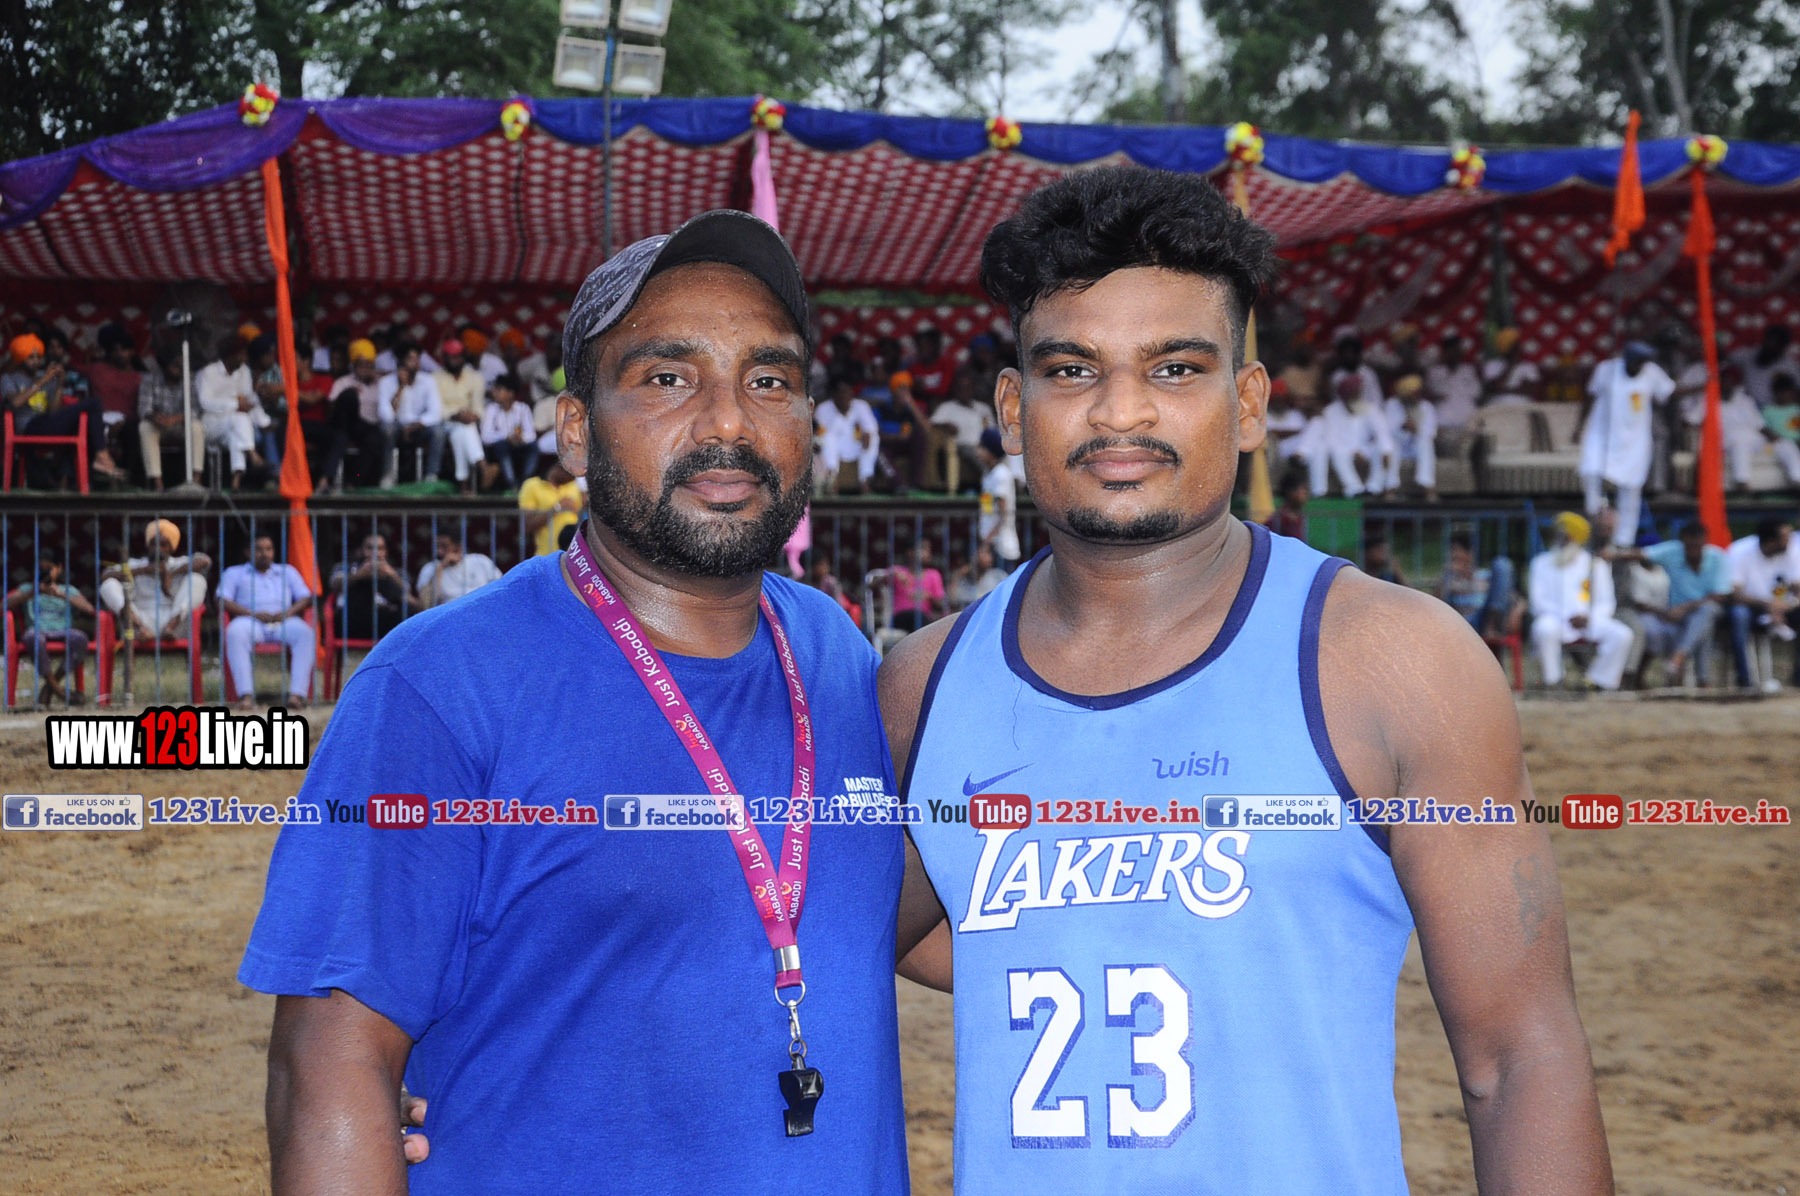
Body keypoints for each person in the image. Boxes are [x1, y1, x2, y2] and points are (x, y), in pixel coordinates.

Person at [880, 165, 1611, 1195]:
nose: (1121, 411)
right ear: (1012, 406)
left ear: (1250, 401)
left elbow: (1520, 1055)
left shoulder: (1399, 662)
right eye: (1073, 369)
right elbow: (849, 934)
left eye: (1176, 368)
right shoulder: (924, 685)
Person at [241, 209, 909, 1195]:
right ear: (573, 429)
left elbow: (879, 910)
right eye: (667, 378)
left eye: (769, 380)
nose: (729, 423)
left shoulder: (837, 653)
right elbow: (328, 1066)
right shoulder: (441, 685)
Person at [1610, 521, 1731, 686]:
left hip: (1703, 610)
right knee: (1703, 628)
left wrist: (1684, 608)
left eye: (1697, 546)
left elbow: (1720, 595)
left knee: (1706, 612)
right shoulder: (1673, 551)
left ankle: (1679, 657)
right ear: (1682, 543)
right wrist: (1610, 555)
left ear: (1705, 542)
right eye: (1689, 546)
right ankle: (1702, 681)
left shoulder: (1717, 557)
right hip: (1676, 616)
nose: (1693, 550)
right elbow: (1641, 554)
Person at [1580, 341, 1674, 545]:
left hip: (1635, 441)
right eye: (1636, 362)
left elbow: (1669, 393)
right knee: (1591, 472)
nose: (1640, 366)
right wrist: (1579, 427)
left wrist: (1707, 385)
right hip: (1601, 436)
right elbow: (1589, 396)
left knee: (1631, 489)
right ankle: (1596, 528)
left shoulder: (1652, 372)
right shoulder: (1607, 369)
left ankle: (1623, 541)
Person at [1528, 511, 1633, 690]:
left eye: (1567, 537)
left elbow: (1606, 602)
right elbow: (1538, 602)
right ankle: (1553, 681)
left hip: (1589, 621)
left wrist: (1588, 617)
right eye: (1560, 535)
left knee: (1622, 634)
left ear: (1577, 539)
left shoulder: (1595, 564)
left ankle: (1596, 682)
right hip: (1555, 619)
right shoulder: (1541, 563)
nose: (1562, 540)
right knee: (1544, 628)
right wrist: (1567, 616)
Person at [2, 333, 123, 483]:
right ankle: (102, 456)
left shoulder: (45, 379)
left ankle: (69, 479)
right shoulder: (9, 378)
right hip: (28, 427)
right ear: (20, 358)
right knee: (94, 403)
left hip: (46, 424)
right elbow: (15, 403)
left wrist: (59, 384)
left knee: (80, 424)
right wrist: (42, 381)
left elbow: (54, 412)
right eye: (31, 357)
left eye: (38, 357)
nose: (36, 361)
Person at [218, 534, 315, 709]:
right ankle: (246, 696)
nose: (265, 554)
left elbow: (306, 597)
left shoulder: (287, 571)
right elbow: (222, 600)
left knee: (305, 634)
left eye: (269, 549)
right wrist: (252, 613)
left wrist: (287, 613)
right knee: (234, 632)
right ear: (248, 552)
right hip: (250, 620)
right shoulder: (234, 573)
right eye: (259, 549)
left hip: (284, 621)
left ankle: (297, 696)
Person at [98, 519, 211, 642]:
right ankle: (142, 629)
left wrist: (171, 574)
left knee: (197, 579)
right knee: (108, 585)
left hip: (174, 625)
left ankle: (169, 628)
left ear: (171, 548)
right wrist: (143, 570)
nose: (158, 549)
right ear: (148, 545)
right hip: (138, 623)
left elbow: (205, 561)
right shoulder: (135, 564)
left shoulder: (179, 563)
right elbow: (105, 575)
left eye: (163, 544)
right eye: (154, 544)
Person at [6, 551, 94, 706]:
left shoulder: (67, 589)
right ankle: (59, 691)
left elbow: (90, 610)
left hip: (64, 631)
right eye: (41, 569)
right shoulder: (27, 588)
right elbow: (4, 606)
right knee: (33, 638)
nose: (45, 572)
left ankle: (50, 687)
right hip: (37, 631)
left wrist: (61, 595)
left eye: (49, 568)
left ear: (59, 568)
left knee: (81, 638)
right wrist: (32, 592)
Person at [1725, 516, 1800, 690]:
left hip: (1783, 606)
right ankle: (1745, 680)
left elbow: (1796, 587)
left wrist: (1787, 605)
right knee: (1739, 615)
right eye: (1785, 537)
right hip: (1751, 608)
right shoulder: (1739, 551)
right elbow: (1733, 594)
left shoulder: (1792, 551)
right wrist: (1768, 605)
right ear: (1772, 541)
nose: (1790, 541)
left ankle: (1798, 679)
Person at [320, 339, 395, 492]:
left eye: (369, 364)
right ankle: (326, 481)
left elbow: (394, 379)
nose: (365, 368)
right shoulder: (343, 382)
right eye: (361, 364)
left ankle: (354, 481)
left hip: (368, 427)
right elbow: (331, 407)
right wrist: (351, 392)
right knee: (349, 395)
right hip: (344, 423)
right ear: (353, 365)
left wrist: (380, 375)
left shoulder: (381, 383)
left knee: (374, 440)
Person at [196, 334, 267, 490]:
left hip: (235, 425)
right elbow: (204, 403)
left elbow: (248, 398)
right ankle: (252, 453)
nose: (244, 358)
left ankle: (236, 480)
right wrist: (235, 404)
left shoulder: (244, 372)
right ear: (230, 355)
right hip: (210, 423)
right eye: (242, 354)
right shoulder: (208, 372)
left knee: (236, 434)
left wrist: (256, 404)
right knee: (239, 419)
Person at [136, 345, 206, 491]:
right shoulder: (150, 379)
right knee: (145, 427)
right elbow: (143, 409)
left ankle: (196, 480)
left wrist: (175, 419)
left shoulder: (189, 378)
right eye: (175, 365)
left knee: (197, 427)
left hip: (181, 425)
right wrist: (155, 417)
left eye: (181, 366)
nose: (178, 369)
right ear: (165, 365)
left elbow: (195, 410)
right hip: (159, 426)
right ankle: (157, 482)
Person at [1437, 529, 1518, 640]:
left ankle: (1492, 623)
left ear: (1470, 553)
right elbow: (1436, 604)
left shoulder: (1486, 576)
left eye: (1456, 550)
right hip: (1462, 622)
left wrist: (1518, 609)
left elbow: (1511, 597)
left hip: (1484, 618)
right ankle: (1490, 626)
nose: (1452, 555)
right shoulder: (1450, 578)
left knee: (1502, 564)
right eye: (1451, 550)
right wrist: (1446, 577)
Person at [433, 337, 487, 494]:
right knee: (463, 427)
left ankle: (463, 484)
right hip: (443, 422)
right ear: (445, 358)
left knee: (461, 431)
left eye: (459, 357)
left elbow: (479, 407)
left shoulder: (475, 377)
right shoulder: (435, 378)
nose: (456, 361)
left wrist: (472, 416)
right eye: (452, 357)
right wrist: (455, 415)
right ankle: (482, 466)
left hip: (467, 422)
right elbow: (436, 408)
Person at [384, 345, 445, 482]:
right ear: (401, 362)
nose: (416, 363)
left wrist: (414, 426)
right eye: (411, 359)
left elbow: (436, 412)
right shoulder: (386, 382)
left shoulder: (428, 380)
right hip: (396, 427)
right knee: (387, 430)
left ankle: (431, 476)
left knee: (438, 431)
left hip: (418, 426)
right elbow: (387, 415)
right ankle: (387, 475)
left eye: (417, 359)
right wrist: (401, 387)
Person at [815, 368, 880, 493]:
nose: (843, 395)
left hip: (855, 446)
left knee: (874, 438)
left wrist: (866, 434)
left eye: (846, 391)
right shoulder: (823, 409)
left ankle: (865, 480)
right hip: (832, 450)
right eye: (840, 391)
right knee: (828, 438)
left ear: (852, 392)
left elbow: (870, 430)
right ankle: (833, 481)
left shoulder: (861, 406)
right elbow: (819, 436)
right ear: (834, 393)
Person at [929, 368, 994, 493]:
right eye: (960, 387)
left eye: (967, 387)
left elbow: (994, 430)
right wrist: (945, 426)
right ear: (955, 389)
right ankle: (990, 489)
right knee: (985, 458)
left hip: (987, 445)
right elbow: (931, 425)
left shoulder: (983, 408)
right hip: (964, 446)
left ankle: (1019, 485)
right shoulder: (947, 407)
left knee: (1011, 453)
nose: (964, 391)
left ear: (973, 388)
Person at [481, 372, 538, 489]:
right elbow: (485, 436)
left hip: (519, 446)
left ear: (510, 393)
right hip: (498, 450)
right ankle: (511, 484)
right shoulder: (491, 409)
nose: (494, 393)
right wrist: (507, 437)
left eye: (499, 390)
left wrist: (521, 438)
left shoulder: (522, 408)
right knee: (502, 446)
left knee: (533, 447)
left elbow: (531, 435)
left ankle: (525, 482)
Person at [1385, 373, 1437, 500]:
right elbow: (1386, 431)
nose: (1416, 397)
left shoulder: (1426, 406)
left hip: (1416, 447)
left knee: (1426, 442)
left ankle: (1427, 486)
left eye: (1418, 393)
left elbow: (1431, 432)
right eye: (1413, 393)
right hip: (1398, 446)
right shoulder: (1391, 405)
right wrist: (1403, 427)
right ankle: (1391, 488)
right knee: (1391, 446)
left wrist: (1416, 429)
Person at [416, 532, 502, 608]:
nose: (439, 551)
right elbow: (426, 605)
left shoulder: (480, 561)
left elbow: (500, 588)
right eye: (437, 546)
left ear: (458, 546)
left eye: (444, 546)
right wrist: (441, 568)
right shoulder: (429, 568)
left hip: (482, 609)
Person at [517, 459, 583, 557]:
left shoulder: (574, 485)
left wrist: (575, 509)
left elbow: (584, 517)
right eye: (570, 475)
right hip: (546, 555)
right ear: (558, 469)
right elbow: (527, 524)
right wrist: (557, 508)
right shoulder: (531, 485)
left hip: (574, 555)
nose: (573, 479)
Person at [976, 426, 1020, 568]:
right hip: (991, 545)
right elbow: (988, 509)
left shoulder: (1001, 474)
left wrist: (987, 541)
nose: (978, 451)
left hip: (1001, 547)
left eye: (982, 447)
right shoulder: (988, 475)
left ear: (991, 451)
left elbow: (1004, 513)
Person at [1726, 324, 1796, 407]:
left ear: (1783, 347)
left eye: (1775, 343)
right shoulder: (1748, 355)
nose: (1770, 345)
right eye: (1769, 341)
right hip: (1747, 408)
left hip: (1774, 410)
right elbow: (1725, 357)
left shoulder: (1790, 366)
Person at [1424, 332, 1484, 430]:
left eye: (1458, 350)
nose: (1456, 353)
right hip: (1443, 420)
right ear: (1446, 352)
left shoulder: (1469, 370)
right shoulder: (1434, 372)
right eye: (1453, 350)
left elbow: (1477, 393)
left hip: (1468, 417)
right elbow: (1437, 392)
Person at [889, 540, 946, 633]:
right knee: (918, 618)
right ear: (910, 552)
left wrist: (929, 596)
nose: (928, 553)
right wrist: (888, 575)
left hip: (923, 618)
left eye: (928, 550)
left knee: (921, 618)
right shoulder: (897, 571)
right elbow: (872, 584)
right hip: (900, 618)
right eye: (923, 549)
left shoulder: (934, 575)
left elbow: (942, 604)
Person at [1481, 327, 1541, 407]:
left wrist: (1503, 389)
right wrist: (1511, 365)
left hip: (1523, 407)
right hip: (1497, 407)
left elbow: (1532, 391)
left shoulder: (1529, 366)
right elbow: (1493, 388)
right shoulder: (1492, 364)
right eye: (1515, 345)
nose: (1519, 348)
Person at [947, 542, 1006, 610]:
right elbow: (951, 600)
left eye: (990, 553)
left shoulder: (997, 576)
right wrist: (957, 576)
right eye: (985, 553)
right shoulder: (963, 579)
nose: (990, 557)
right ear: (973, 555)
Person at [1265, 465, 1309, 540]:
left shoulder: (1301, 518)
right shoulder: (1277, 520)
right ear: (1291, 492)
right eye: (1302, 491)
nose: (1305, 495)